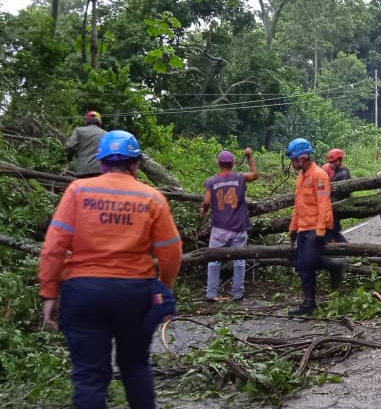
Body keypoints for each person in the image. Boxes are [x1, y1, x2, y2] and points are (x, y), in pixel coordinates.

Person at [39, 130, 182, 409]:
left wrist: (49, 293)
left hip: (83, 293)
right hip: (134, 294)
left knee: (89, 377)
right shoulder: (152, 198)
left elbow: (53, 246)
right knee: (136, 365)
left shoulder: (78, 191)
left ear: (101, 163)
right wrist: (164, 286)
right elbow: (171, 251)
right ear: (136, 164)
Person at [286, 138, 343, 315]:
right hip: (303, 227)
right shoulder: (301, 178)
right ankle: (309, 302)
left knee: (306, 262)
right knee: (302, 265)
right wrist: (293, 227)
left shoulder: (319, 176)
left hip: (316, 228)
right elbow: (298, 206)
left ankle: (334, 265)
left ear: (302, 157)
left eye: (294, 159)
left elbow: (324, 202)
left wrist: (320, 229)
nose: (292, 163)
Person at [201, 148, 258, 302]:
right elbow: (255, 175)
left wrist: (204, 209)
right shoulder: (239, 177)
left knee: (214, 260)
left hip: (220, 227)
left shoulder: (211, 181)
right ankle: (237, 293)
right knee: (239, 260)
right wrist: (249, 157)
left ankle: (211, 293)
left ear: (218, 163)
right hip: (238, 226)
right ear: (233, 163)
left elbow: (206, 201)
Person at [65, 110, 107, 178]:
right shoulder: (106, 134)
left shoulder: (79, 131)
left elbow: (70, 147)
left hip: (83, 170)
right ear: (100, 122)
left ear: (86, 121)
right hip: (101, 171)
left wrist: (69, 158)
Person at [322, 148, 351, 243]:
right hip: (334, 208)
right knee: (333, 233)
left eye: (332, 162)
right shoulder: (339, 172)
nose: (330, 165)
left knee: (330, 233)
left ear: (339, 161)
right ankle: (349, 251)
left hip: (336, 208)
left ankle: (348, 251)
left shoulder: (342, 174)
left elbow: (335, 195)